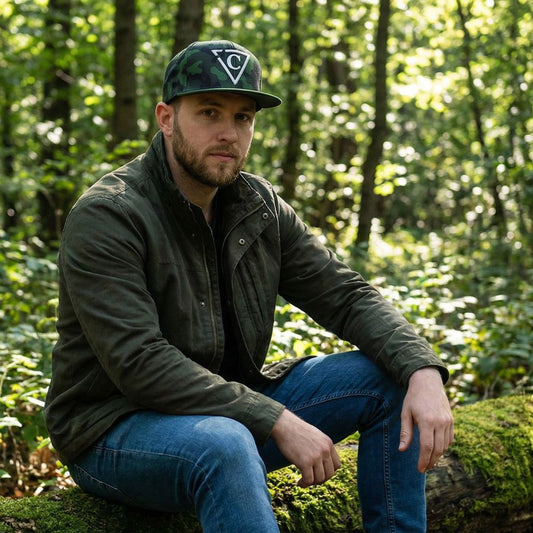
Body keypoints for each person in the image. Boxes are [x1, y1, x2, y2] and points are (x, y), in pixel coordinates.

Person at [44, 40, 453, 533]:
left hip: (226, 411)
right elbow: (139, 361)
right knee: (226, 444)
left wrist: (422, 368)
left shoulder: (258, 206)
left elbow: (346, 296)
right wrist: (275, 419)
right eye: (209, 112)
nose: (229, 133)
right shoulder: (110, 214)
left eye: (243, 117)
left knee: (390, 376)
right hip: (113, 429)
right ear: (166, 118)